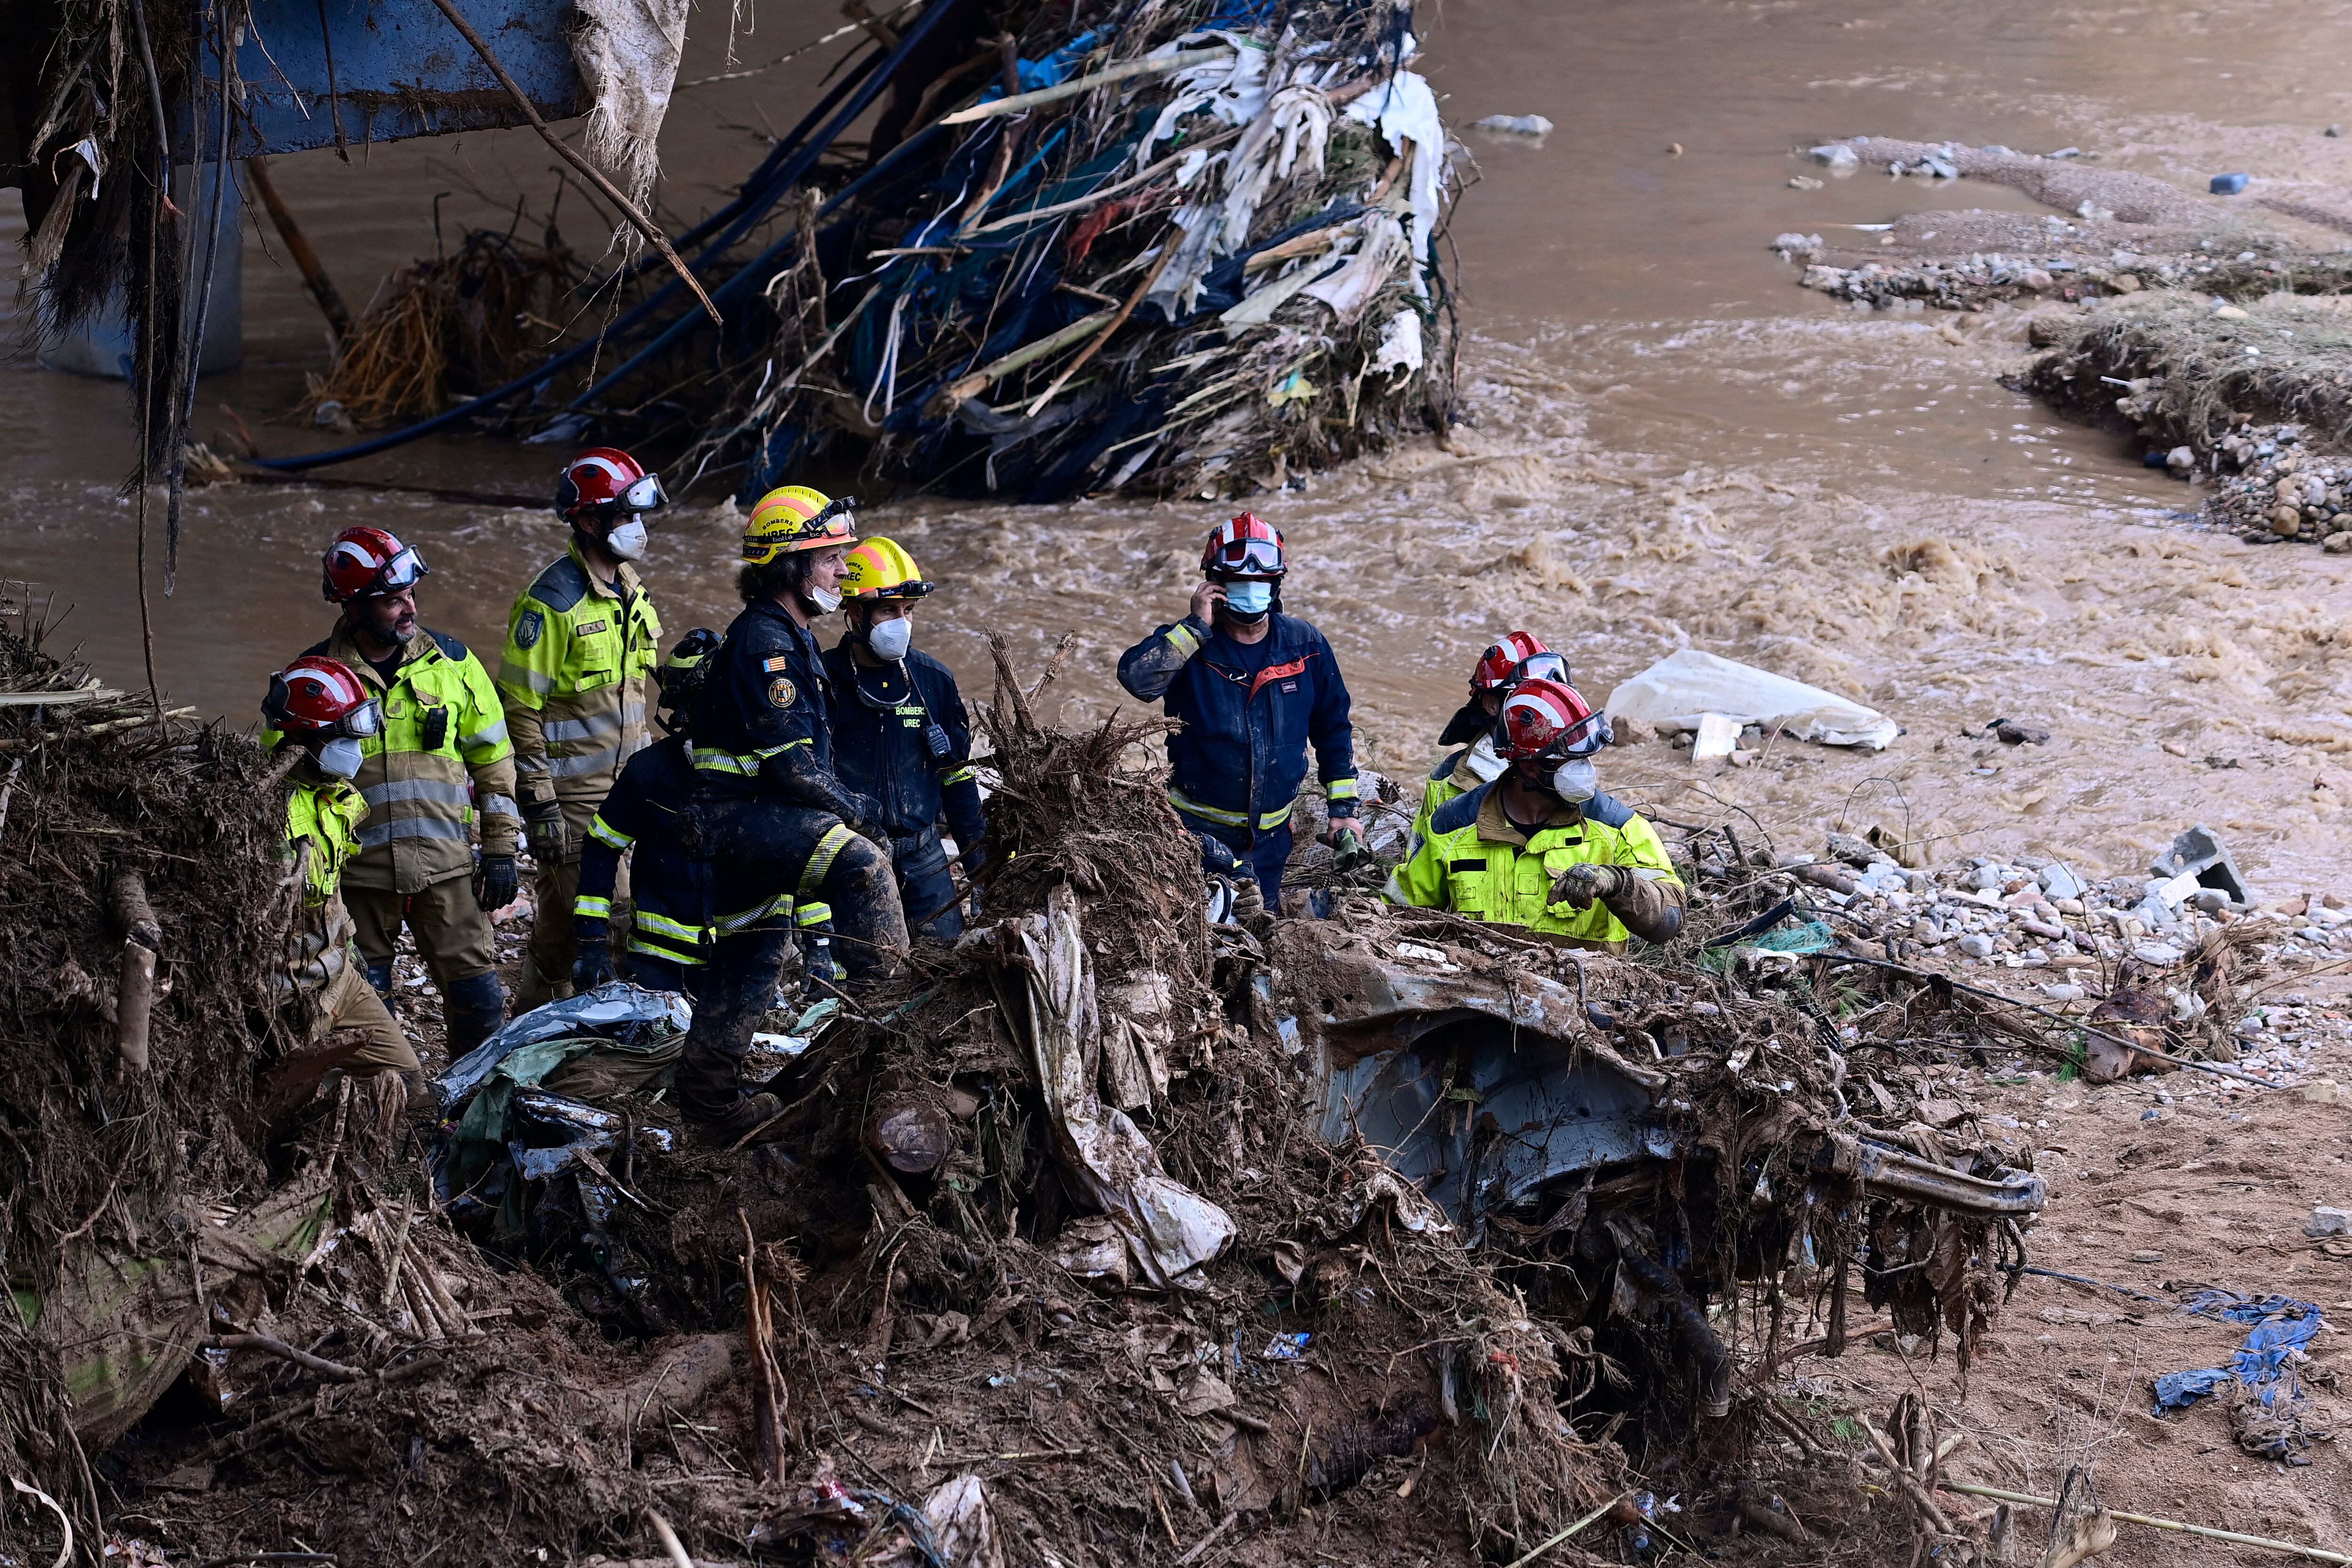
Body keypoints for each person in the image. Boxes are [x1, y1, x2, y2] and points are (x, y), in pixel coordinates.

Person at [674, 486, 911, 1140]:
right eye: (831, 557)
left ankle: (709, 1106)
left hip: (745, 822)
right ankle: (891, 1039)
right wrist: (861, 815)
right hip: (740, 817)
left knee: (750, 955)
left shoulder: (790, 634)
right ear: (790, 563)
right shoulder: (765, 641)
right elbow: (793, 767)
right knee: (862, 866)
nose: (844, 570)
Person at [301, 526, 522, 1056]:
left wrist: (499, 848)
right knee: (363, 1003)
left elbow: (494, 762)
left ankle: (472, 1102)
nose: (409, 609)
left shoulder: (454, 664)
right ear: (353, 606)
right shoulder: (316, 681)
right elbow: (287, 788)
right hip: (357, 877)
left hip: (446, 870)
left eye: (411, 596)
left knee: (477, 993)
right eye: (392, 600)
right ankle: (386, 1108)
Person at [1117, 513, 1360, 910]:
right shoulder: (1191, 646)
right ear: (1215, 585)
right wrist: (1195, 626)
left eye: (1260, 583)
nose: (1251, 591)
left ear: (1275, 584)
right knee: (1201, 935)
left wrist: (1344, 812)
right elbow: (1137, 679)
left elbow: (1333, 728)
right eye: (1239, 582)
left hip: (1269, 844)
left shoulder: (1305, 645)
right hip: (1193, 839)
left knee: (1258, 937)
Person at [496, 448, 667, 1008]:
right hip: (573, 805)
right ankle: (613, 1053)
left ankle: (524, 1033)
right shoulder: (550, 605)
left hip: (628, 790)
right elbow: (519, 711)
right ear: (588, 522)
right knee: (614, 923)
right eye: (625, 518)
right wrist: (541, 808)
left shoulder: (629, 587)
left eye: (638, 517)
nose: (637, 530)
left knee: (556, 932)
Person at [1387, 677, 1685, 948]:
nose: (1586, 773)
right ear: (1529, 766)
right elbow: (1396, 918)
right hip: (1477, 996)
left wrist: (1617, 883)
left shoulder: (1619, 830)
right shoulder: (1451, 826)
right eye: (1571, 761)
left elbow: (1669, 921)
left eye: (1586, 759)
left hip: (1586, 1000)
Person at [261, 654, 419, 1080]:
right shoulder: (256, 813)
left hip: (341, 977)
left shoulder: (335, 796)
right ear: (305, 738)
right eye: (344, 739)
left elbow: (331, 887)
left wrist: (348, 945)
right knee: (291, 1102)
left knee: (410, 1081)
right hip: (286, 997)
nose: (357, 752)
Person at [820, 537, 986, 939]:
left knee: (946, 963)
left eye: (908, 610)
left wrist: (982, 869)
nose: (902, 622)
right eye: (889, 610)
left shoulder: (933, 680)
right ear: (857, 614)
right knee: (867, 979)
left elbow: (958, 780)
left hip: (924, 857)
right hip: (852, 858)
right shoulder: (822, 681)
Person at [571, 630, 726, 998]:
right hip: (656, 965)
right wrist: (592, 941)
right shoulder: (649, 772)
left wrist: (819, 945)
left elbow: (794, 856)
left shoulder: (761, 770)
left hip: (734, 962)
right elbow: (601, 846)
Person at [1410, 633, 1569, 851]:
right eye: (1530, 698)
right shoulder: (1448, 785)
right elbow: (1423, 867)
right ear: (1492, 705)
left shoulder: (1571, 766)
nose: (1546, 712)